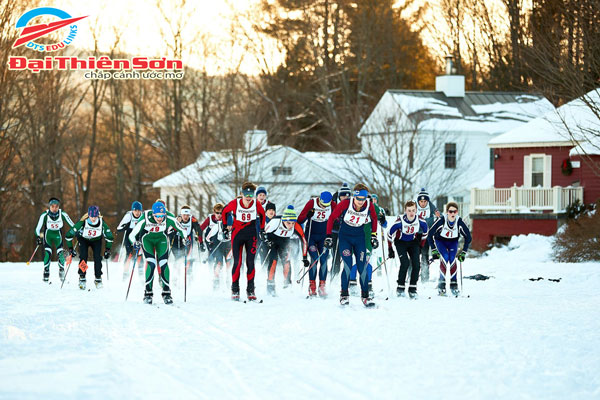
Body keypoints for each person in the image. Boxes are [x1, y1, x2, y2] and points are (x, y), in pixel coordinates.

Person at [326, 183, 379, 307]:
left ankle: (365, 296)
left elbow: (375, 218)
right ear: (354, 196)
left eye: (363, 199)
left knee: (362, 267)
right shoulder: (345, 203)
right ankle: (344, 295)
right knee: (348, 266)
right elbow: (332, 218)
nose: (361, 202)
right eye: (358, 199)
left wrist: (373, 235)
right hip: (345, 237)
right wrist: (328, 236)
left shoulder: (369, 205)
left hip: (359, 237)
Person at [129, 201, 186, 304]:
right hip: (147, 240)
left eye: (162, 216)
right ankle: (148, 293)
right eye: (157, 216)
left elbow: (182, 229)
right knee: (151, 263)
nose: (160, 219)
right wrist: (134, 242)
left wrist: (185, 238)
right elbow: (132, 235)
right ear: (153, 214)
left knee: (163, 264)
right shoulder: (145, 217)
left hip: (162, 240)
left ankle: (166, 292)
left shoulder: (169, 217)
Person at [222, 182, 266, 301]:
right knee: (238, 262)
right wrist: (225, 227)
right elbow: (224, 212)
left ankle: (250, 289)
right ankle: (235, 288)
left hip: (251, 233)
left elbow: (262, 215)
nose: (248, 197)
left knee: (250, 262)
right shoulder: (235, 203)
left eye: (250, 195)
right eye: (246, 194)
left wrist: (262, 229)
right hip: (237, 233)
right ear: (241, 194)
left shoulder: (256, 204)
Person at [428, 202, 472, 296]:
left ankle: (454, 284)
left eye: (454, 211)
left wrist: (463, 252)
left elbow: (468, 237)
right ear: (447, 212)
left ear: (457, 212)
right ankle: (441, 284)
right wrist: (434, 249)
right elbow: (430, 234)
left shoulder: (459, 222)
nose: (452, 214)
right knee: (445, 257)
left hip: (453, 242)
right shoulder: (441, 220)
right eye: (450, 211)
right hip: (441, 241)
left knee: (452, 258)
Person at [387, 200, 429, 298]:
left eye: (413, 210)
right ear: (405, 211)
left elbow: (426, 232)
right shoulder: (400, 221)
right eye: (409, 210)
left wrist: (421, 245)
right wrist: (390, 249)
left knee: (416, 265)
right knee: (405, 263)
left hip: (413, 241)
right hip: (400, 242)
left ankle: (412, 288)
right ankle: (400, 287)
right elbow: (389, 234)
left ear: (416, 211)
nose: (411, 213)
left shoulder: (420, 220)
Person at [264, 205, 309, 296]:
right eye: (289, 223)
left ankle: (287, 285)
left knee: (287, 262)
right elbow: (264, 233)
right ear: (284, 220)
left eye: (293, 223)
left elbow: (304, 241)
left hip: (284, 243)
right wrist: (267, 241)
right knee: (273, 262)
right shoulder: (276, 222)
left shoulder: (296, 226)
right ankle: (270, 285)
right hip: (272, 242)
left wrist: (304, 257)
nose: (291, 226)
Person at [66, 205, 114, 289]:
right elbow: (68, 235)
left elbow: (109, 237)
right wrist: (70, 248)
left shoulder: (101, 223)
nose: (93, 219)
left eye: (95, 216)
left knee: (97, 258)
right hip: (84, 240)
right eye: (92, 216)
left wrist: (108, 249)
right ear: (89, 215)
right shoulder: (83, 222)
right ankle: (82, 277)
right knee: (83, 257)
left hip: (96, 241)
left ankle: (98, 278)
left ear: (98, 215)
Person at [297, 191, 335, 297]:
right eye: (322, 205)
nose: (323, 207)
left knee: (323, 259)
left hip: (324, 236)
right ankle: (312, 285)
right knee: (314, 258)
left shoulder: (332, 205)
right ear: (320, 200)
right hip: (311, 236)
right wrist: (308, 215)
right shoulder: (311, 203)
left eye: (326, 206)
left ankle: (322, 285)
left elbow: (338, 217)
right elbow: (300, 219)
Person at [34, 197, 75, 282]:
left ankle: (61, 270)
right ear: (49, 207)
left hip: (57, 235)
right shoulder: (44, 215)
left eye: (56, 206)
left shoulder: (62, 214)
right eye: (52, 206)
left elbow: (73, 225)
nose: (54, 208)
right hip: (48, 235)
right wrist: (38, 237)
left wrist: (78, 231)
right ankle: (46, 271)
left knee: (60, 253)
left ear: (58, 207)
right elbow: (37, 229)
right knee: (48, 253)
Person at [200, 203, 232, 289]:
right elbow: (201, 230)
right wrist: (201, 241)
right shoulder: (210, 219)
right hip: (216, 244)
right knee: (219, 263)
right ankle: (216, 281)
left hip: (228, 245)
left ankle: (230, 282)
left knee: (229, 263)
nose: (219, 215)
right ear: (214, 212)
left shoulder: (228, 219)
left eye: (221, 213)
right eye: (217, 213)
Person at [170, 205, 203, 278]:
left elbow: (199, 231)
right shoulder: (177, 219)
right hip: (176, 241)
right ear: (181, 214)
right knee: (178, 259)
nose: (185, 217)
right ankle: (176, 277)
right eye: (184, 215)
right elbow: (170, 232)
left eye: (187, 215)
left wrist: (201, 243)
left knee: (188, 258)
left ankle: (189, 275)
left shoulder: (193, 220)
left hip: (187, 240)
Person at [415, 188, 440, 282]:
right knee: (414, 255)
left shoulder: (430, 206)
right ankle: (412, 276)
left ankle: (425, 277)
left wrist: (437, 215)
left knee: (425, 255)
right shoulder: (414, 205)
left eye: (425, 201)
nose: (423, 203)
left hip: (425, 234)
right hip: (416, 234)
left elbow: (438, 214)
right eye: (421, 201)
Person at [116, 201, 144, 279]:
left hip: (138, 235)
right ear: (132, 210)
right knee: (129, 254)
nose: (137, 212)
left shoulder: (143, 216)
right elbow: (119, 228)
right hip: (129, 234)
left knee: (140, 253)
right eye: (135, 210)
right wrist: (126, 226)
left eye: (139, 210)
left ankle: (141, 273)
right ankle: (125, 272)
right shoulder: (128, 216)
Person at [330, 183, 351, 281]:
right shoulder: (334, 204)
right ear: (339, 196)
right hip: (335, 233)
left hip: (347, 234)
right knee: (336, 258)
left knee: (347, 257)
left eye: (347, 195)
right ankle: (333, 277)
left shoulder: (351, 204)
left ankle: (348, 280)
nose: (345, 197)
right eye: (343, 195)